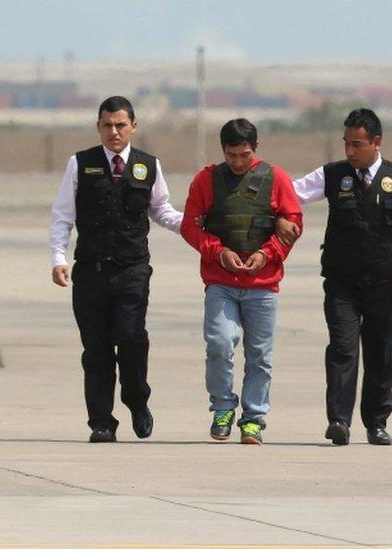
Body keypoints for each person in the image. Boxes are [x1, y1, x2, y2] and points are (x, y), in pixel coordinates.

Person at [275, 108, 392, 446]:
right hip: (342, 281)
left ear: (376, 143)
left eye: (357, 144)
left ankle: (376, 422)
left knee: (381, 352)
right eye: (346, 144)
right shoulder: (333, 175)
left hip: (384, 282)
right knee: (342, 348)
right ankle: (339, 421)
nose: (349, 152)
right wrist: (278, 215)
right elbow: (290, 194)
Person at [49, 96, 182, 443]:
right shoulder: (80, 164)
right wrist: (58, 258)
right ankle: (102, 422)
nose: (114, 132)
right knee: (96, 350)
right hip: (90, 272)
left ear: (133, 126)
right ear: (98, 127)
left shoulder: (147, 165)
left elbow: (161, 209)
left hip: (132, 270)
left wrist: (193, 226)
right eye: (107, 125)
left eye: (121, 125)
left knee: (131, 338)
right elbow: (63, 215)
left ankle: (137, 401)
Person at [180, 118, 302, 445]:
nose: (237, 162)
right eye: (231, 155)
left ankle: (253, 419)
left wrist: (267, 253)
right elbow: (190, 226)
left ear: (256, 149)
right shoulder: (206, 180)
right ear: (223, 151)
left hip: (262, 286)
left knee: (259, 354)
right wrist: (218, 252)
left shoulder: (276, 179)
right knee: (220, 342)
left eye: (244, 155)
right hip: (221, 282)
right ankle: (222, 408)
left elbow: (293, 225)